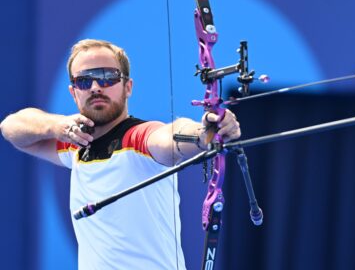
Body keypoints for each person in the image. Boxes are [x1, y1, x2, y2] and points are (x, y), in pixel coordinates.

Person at [0, 39, 240, 269]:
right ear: (74, 93)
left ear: (128, 87)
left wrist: (206, 132)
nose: (95, 87)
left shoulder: (139, 139)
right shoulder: (76, 144)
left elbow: (170, 137)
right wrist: (57, 126)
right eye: (84, 81)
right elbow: (11, 128)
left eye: (107, 77)